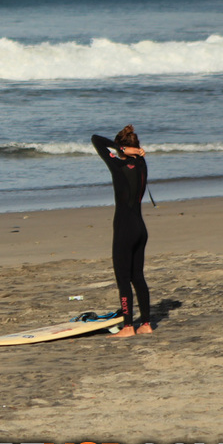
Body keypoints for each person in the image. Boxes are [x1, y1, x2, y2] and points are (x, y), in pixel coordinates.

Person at [91, 125, 152, 337]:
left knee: (123, 278)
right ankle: (146, 323)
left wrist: (121, 149)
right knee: (138, 277)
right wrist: (133, 151)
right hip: (140, 228)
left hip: (124, 229)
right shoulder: (143, 164)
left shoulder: (116, 164)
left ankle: (128, 327)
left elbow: (96, 139)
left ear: (122, 148)